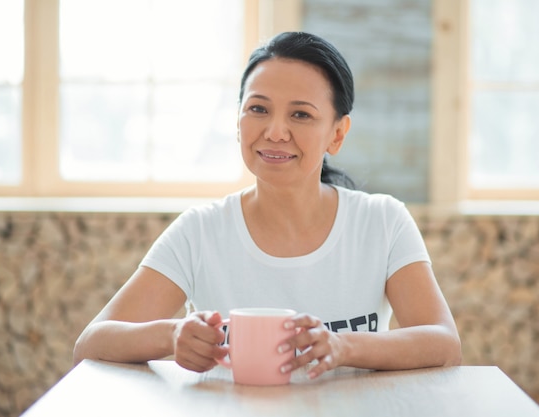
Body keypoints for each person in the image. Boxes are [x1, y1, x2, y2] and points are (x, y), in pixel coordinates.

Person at [73, 31, 461, 379]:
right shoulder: (201, 230)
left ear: (337, 134)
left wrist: (345, 348)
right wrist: (171, 335)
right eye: (258, 109)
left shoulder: (382, 221)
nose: (275, 131)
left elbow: (444, 344)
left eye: (301, 114)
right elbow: (91, 343)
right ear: (238, 121)